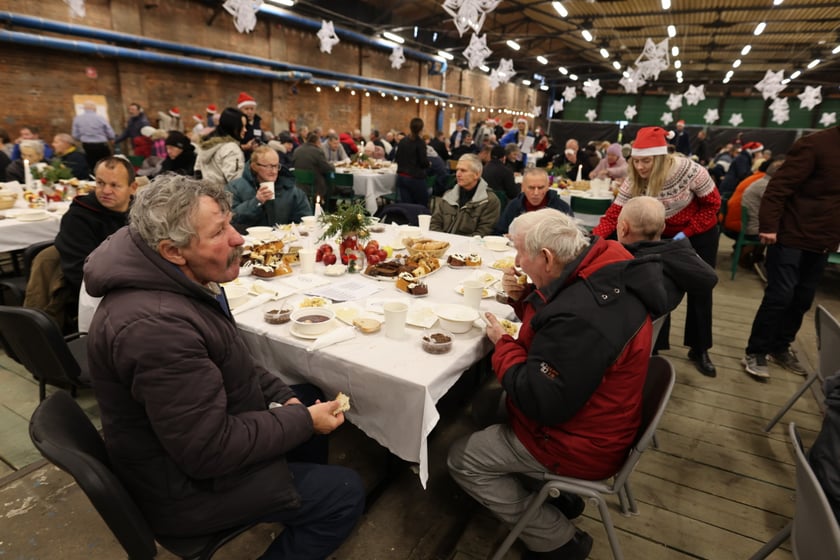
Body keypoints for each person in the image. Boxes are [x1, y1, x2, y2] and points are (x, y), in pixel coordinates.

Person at [83, 174, 364, 559]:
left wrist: (289, 402)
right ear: (173, 251)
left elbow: (232, 361)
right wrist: (303, 422)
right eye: (219, 232)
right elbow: (208, 450)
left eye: (231, 223)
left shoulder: (174, 281)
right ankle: (297, 499)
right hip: (183, 491)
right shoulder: (156, 328)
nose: (238, 238)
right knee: (344, 493)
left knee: (304, 395)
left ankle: (289, 495)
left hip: (184, 449)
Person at [448, 208, 667, 560]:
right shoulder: (604, 259)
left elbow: (541, 400)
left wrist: (502, 346)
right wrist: (528, 298)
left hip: (578, 442)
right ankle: (556, 495)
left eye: (521, 254)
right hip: (603, 414)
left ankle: (558, 540)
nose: (517, 263)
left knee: (461, 458)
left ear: (548, 257)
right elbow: (556, 326)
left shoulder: (584, 317)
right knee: (487, 405)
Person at [593, 126, 721, 376]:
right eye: (636, 161)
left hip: (699, 232)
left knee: (700, 288)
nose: (640, 167)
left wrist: (687, 234)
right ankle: (657, 345)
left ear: (661, 158)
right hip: (661, 233)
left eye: (646, 161)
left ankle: (699, 347)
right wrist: (594, 240)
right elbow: (615, 214)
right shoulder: (634, 180)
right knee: (655, 285)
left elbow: (712, 205)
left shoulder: (691, 171)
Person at [742, 126, 840, 379]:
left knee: (802, 298)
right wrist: (769, 227)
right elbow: (778, 187)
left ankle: (780, 347)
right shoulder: (816, 144)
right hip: (790, 234)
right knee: (780, 296)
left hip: (821, 240)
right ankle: (756, 350)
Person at [617, 196, 718, 324]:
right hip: (650, 334)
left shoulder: (624, 266)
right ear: (663, 227)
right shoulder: (675, 261)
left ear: (623, 228)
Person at [55, 156, 137, 308]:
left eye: (115, 185)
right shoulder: (78, 218)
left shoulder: (142, 213)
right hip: (98, 296)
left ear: (133, 187)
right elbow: (81, 272)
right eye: (100, 183)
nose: (106, 191)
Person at [226, 145, 311, 229]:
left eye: (276, 166)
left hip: (284, 240)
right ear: (254, 167)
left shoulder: (290, 189)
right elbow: (230, 219)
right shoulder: (235, 187)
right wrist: (256, 202)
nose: (274, 171)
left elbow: (304, 219)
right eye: (269, 166)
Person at [430, 154, 500, 237]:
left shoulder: (490, 201)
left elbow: (483, 233)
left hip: (470, 247)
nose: (458, 174)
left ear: (477, 174)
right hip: (443, 245)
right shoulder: (448, 196)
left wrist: (456, 243)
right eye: (457, 170)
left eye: (463, 171)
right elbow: (434, 223)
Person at [494, 168, 572, 235]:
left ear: (548, 187)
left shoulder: (561, 208)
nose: (536, 193)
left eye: (541, 188)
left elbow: (574, 238)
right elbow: (499, 232)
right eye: (531, 188)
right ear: (523, 187)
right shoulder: (514, 206)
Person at [195, 107, 246, 189]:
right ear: (233, 127)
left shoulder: (205, 145)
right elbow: (236, 182)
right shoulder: (231, 148)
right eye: (242, 126)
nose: (245, 130)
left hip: (207, 195)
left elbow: (197, 171)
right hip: (225, 198)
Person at [394, 117, 430, 207]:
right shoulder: (420, 143)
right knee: (421, 206)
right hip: (415, 179)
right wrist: (429, 164)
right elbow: (423, 162)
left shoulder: (402, 141)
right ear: (421, 129)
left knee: (406, 206)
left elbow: (397, 158)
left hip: (402, 177)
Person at [72, 101, 115, 172]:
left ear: (84, 109)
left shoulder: (77, 119)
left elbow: (75, 135)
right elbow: (109, 131)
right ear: (94, 109)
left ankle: (93, 180)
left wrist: (82, 138)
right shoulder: (100, 118)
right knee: (106, 165)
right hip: (101, 145)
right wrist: (111, 138)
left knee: (91, 165)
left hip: (87, 146)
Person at [292, 132, 334, 201]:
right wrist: (333, 166)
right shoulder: (317, 151)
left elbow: (293, 164)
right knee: (331, 183)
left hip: (299, 184)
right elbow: (327, 168)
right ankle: (328, 207)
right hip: (314, 185)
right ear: (317, 142)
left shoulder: (297, 150)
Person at [236, 91, 262, 157]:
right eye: (246, 109)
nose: (249, 111)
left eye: (252, 109)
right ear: (240, 110)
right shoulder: (236, 123)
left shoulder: (257, 121)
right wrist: (245, 146)